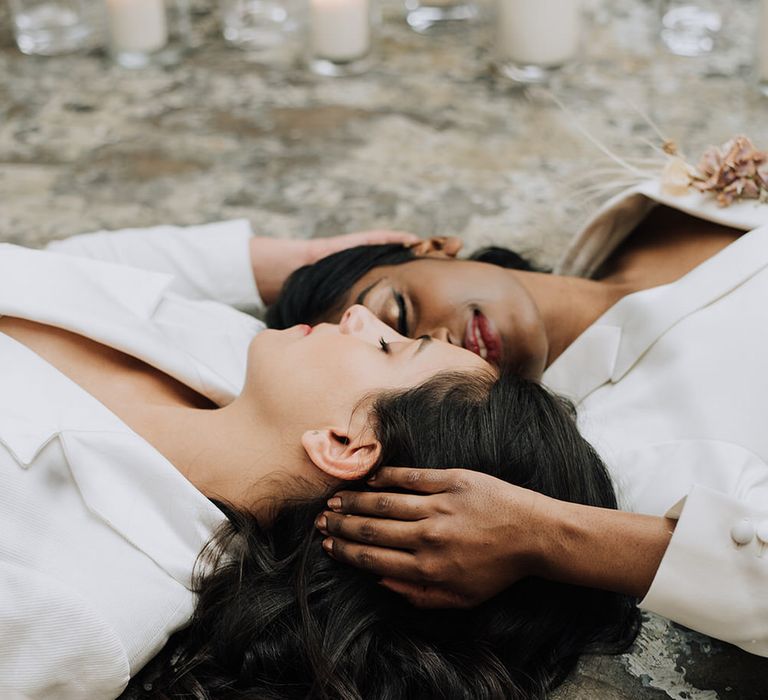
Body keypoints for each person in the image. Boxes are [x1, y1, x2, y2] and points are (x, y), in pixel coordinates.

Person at [0, 226, 637, 699]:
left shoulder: (84, 606)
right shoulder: (224, 341)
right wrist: (299, 261)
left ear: (345, 443)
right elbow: (54, 270)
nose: (355, 316)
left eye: (390, 345)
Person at [268, 173, 768, 656]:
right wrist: (543, 534)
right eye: (399, 375)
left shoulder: (655, 209)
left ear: (433, 247)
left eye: (396, 319)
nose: (440, 343)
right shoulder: (640, 455)